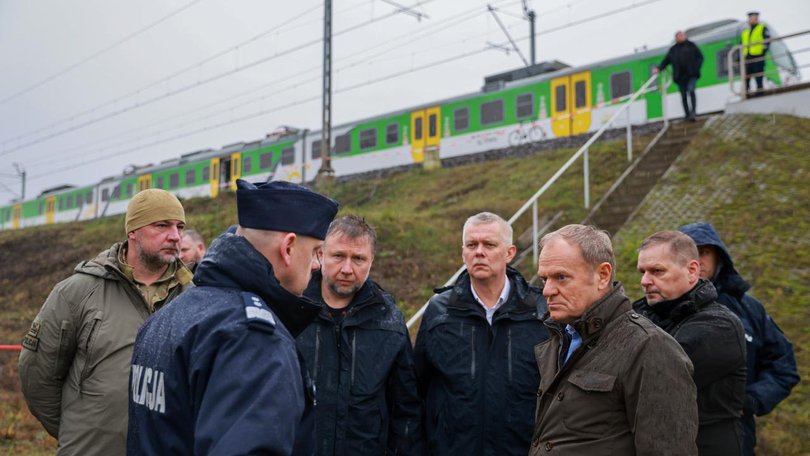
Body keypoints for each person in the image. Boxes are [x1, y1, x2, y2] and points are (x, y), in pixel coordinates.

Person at [127, 179, 338, 455]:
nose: (316, 265)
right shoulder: (254, 341)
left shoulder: (168, 316)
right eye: (315, 252)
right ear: (288, 248)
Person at [18, 188, 192, 456]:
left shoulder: (194, 296)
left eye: (179, 227)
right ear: (132, 231)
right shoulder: (77, 291)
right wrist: (78, 432)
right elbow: (38, 375)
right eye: (162, 225)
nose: (175, 236)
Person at [530, 224, 698, 455]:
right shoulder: (559, 340)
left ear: (602, 275)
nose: (548, 290)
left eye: (561, 277)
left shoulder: (650, 347)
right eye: (544, 279)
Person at [414, 212, 549, 456]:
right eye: (471, 245)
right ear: (462, 252)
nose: (479, 252)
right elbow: (418, 387)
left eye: (489, 245)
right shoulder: (439, 311)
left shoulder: (541, 311)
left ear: (510, 253)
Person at [297, 215, 422, 456]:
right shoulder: (292, 311)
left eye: (358, 259)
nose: (347, 268)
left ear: (371, 261)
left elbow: (406, 408)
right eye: (338, 256)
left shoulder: (388, 320)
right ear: (320, 255)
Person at [679, 222, 799, 456]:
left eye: (704, 252)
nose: (698, 261)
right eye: (690, 252)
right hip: (672, 436)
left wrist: (750, 401)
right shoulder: (658, 309)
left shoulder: (749, 309)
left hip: (736, 438)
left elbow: (784, 368)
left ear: (719, 257)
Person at [634, 231, 747, 456]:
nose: (645, 281)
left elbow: (646, 383)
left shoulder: (718, 326)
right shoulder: (643, 316)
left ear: (692, 271)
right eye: (643, 272)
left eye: (657, 271)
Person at [656, 30, 704, 121]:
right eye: (679, 36)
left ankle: (693, 112)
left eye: (683, 35)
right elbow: (666, 61)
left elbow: (700, 57)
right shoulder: (673, 50)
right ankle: (687, 115)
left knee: (691, 90)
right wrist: (659, 68)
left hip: (691, 75)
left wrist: (696, 68)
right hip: (680, 77)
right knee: (683, 96)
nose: (682, 37)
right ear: (676, 38)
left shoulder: (691, 46)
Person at [741, 11, 771, 97]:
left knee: (758, 75)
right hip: (748, 57)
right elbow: (742, 44)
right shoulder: (745, 32)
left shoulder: (762, 28)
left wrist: (763, 53)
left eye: (755, 17)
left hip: (758, 56)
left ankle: (760, 92)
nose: (753, 19)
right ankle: (747, 93)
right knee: (747, 76)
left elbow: (767, 40)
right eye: (751, 17)